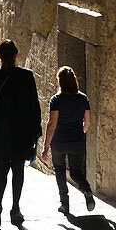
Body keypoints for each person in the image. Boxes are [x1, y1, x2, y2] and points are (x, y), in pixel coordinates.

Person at [0, 39, 42, 228]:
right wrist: (37, 128)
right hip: (21, 131)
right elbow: (34, 105)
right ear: (16, 55)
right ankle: (15, 208)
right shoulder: (26, 76)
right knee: (18, 170)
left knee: (1, 169)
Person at [41, 66, 95, 215]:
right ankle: (87, 190)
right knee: (76, 172)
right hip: (77, 140)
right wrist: (80, 133)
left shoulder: (56, 100)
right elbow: (88, 122)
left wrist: (45, 147)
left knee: (59, 171)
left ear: (60, 82)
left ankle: (64, 204)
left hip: (59, 142)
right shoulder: (83, 98)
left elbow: (52, 124)